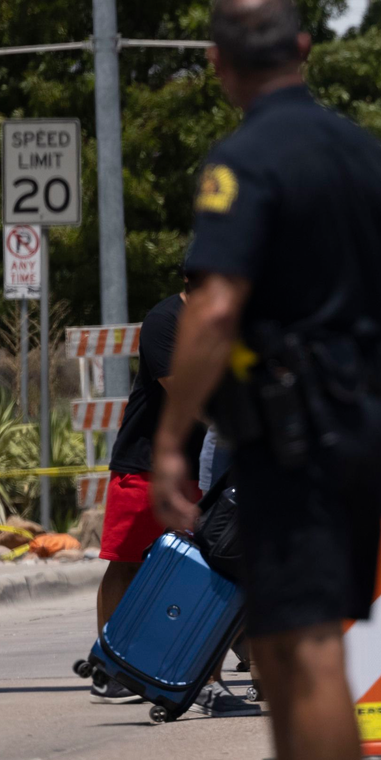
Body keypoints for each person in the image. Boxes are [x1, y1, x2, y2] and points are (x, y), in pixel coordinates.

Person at [150, 0, 381, 760]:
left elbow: (216, 307)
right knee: (280, 650)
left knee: (307, 653)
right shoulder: (375, 161)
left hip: (296, 435)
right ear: (307, 48)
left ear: (217, 64)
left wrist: (168, 438)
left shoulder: (241, 164)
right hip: (352, 430)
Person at [93, 285, 246, 714]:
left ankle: (223, 666)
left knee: (217, 565)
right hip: (146, 463)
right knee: (125, 562)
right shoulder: (164, 321)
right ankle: (111, 666)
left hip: (206, 466)